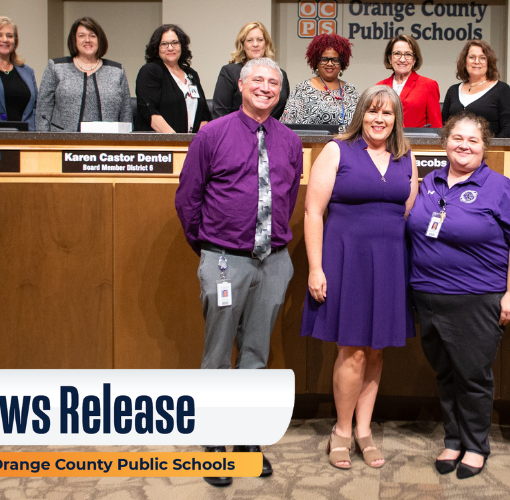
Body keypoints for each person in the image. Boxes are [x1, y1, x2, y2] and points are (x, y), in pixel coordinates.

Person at [174, 58, 302, 488]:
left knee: (256, 353)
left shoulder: (289, 140)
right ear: (242, 85)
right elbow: (188, 198)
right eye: (258, 81)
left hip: (274, 260)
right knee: (217, 355)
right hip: (225, 257)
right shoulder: (212, 133)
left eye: (274, 83)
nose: (266, 88)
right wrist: (209, 247)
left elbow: (287, 196)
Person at [408, 112, 510, 480]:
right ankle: (453, 438)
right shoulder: (427, 182)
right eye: (457, 138)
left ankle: (476, 445)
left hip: (477, 299)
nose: (463, 145)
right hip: (427, 296)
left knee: (472, 376)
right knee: (445, 373)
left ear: (484, 148)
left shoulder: (502, 189)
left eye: (472, 140)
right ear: (445, 143)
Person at [302, 85, 417, 470]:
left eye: (387, 113)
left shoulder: (406, 157)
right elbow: (313, 212)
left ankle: (364, 431)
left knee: (377, 350)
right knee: (351, 349)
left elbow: (407, 213)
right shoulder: (337, 150)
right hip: (345, 261)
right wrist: (316, 268)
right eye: (372, 111)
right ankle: (341, 431)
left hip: (389, 263)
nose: (379, 119)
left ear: (396, 119)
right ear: (360, 114)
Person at [36, 17, 131, 132]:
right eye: (81, 36)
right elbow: (43, 110)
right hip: (63, 142)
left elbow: (126, 113)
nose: (87, 40)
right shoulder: (56, 67)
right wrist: (43, 143)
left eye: (92, 35)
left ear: (99, 40)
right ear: (74, 40)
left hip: (107, 144)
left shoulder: (117, 70)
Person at [134, 24, 212, 133]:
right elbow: (150, 112)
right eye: (164, 44)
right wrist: (176, 142)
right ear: (157, 47)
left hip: (191, 144)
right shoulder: (150, 71)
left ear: (182, 46)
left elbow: (204, 114)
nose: (170, 48)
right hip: (163, 145)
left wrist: (198, 142)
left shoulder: (191, 74)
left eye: (175, 43)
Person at [211, 22, 290, 120]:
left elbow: (285, 111)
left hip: (272, 132)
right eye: (249, 40)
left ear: (266, 43)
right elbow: (220, 113)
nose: (255, 44)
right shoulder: (230, 72)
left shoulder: (280, 74)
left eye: (260, 40)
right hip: (236, 132)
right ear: (243, 45)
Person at [280, 34, 359, 130]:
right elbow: (287, 125)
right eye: (324, 59)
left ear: (342, 63)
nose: (330, 64)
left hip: (347, 144)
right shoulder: (303, 89)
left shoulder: (351, 90)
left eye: (335, 60)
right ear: (316, 62)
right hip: (311, 144)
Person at [441, 40, 510, 138]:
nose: (476, 61)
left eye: (482, 58)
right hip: (456, 150)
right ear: (465, 60)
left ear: (489, 62)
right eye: (472, 57)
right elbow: (444, 128)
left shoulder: (502, 90)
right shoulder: (453, 91)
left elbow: (506, 132)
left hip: (490, 151)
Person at [376, 35, 441, 128]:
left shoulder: (428, 85)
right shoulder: (379, 87)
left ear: (414, 60)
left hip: (415, 142)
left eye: (408, 54)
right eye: (397, 54)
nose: (402, 59)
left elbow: (436, 128)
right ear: (390, 58)